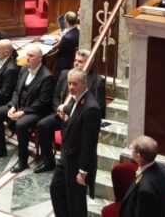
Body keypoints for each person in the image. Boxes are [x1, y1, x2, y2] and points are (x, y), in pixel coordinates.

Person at [35, 50, 106, 174]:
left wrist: (69, 113)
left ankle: (68, 165)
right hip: (61, 114)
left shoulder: (97, 81)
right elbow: (56, 95)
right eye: (75, 60)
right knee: (42, 125)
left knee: (69, 132)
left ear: (89, 63)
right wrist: (58, 110)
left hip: (78, 118)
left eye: (80, 62)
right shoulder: (64, 74)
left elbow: (99, 107)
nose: (76, 64)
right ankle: (48, 160)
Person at [0, 45, 53, 171]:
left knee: (21, 125)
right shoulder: (24, 69)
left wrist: (23, 112)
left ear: (40, 58)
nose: (28, 58)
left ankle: (23, 160)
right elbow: (16, 91)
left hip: (36, 111)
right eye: (27, 55)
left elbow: (42, 102)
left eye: (31, 56)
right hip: (19, 106)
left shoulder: (47, 76)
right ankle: (0, 148)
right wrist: (13, 106)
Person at [49, 68, 101, 217]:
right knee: (56, 190)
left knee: (76, 202)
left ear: (85, 83)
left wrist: (83, 172)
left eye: (75, 84)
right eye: (69, 83)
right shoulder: (76, 98)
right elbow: (72, 111)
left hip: (77, 163)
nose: (71, 87)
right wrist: (63, 108)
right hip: (66, 157)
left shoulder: (91, 108)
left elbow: (89, 144)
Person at [119, 135, 165, 217]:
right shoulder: (164, 169)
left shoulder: (145, 190)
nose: (130, 148)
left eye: (132, 148)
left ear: (138, 156)